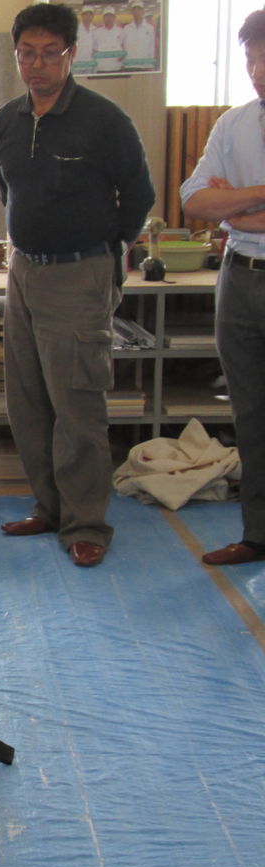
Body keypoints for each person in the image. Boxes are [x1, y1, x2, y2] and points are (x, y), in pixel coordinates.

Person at [0, 3, 155, 567]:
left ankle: (86, 523)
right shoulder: (8, 120)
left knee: (77, 404)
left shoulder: (104, 120)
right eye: (26, 54)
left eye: (49, 54)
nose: (36, 65)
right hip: (23, 271)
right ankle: (49, 506)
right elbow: (9, 188)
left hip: (79, 273)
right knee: (27, 398)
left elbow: (139, 195)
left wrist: (105, 248)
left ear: (71, 55)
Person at [180, 8, 265, 566]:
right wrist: (253, 201)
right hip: (240, 279)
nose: (258, 71)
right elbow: (194, 199)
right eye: (251, 59)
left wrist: (233, 205)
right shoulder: (234, 125)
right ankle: (258, 534)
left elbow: (219, 205)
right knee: (250, 416)